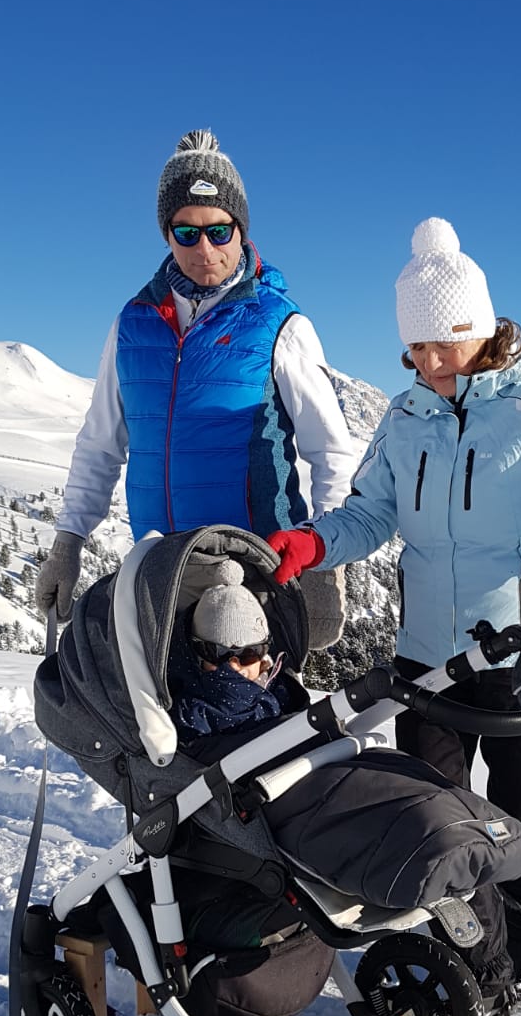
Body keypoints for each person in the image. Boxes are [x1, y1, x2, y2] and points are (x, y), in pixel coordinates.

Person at [267, 217, 521, 1013]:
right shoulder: (405, 418)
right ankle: (474, 954)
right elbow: (370, 512)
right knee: (432, 812)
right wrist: (314, 543)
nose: (426, 363)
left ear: (478, 329)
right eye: (414, 349)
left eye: (440, 345)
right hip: (427, 654)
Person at [36, 129, 356, 646]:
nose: (204, 248)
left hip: (254, 570)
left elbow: (331, 453)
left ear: (241, 229)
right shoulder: (133, 324)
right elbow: (100, 444)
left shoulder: (280, 324)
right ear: (167, 234)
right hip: (159, 569)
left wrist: (324, 560)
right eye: (186, 232)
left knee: (251, 700)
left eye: (219, 231)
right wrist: (68, 542)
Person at [169, 560, 288, 746]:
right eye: (217, 653)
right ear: (197, 654)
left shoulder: (283, 693)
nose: (234, 666)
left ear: (264, 654)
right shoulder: (190, 712)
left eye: (249, 653)